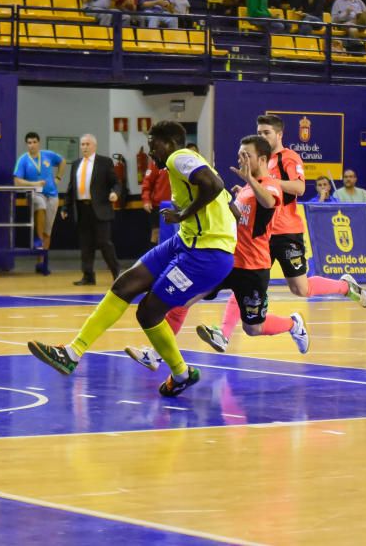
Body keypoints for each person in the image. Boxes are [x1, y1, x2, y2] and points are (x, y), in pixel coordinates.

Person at [27, 121, 236, 397]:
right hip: (186, 242)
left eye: (154, 146)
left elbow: (216, 185)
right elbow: (228, 202)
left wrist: (183, 215)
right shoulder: (190, 160)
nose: (151, 152)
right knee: (123, 285)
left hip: (205, 254)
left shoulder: (178, 157)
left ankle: (182, 373)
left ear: (170, 143)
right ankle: (72, 353)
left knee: (148, 311)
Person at [128, 134, 309, 366]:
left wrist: (250, 182)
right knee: (184, 301)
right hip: (227, 262)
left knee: (254, 328)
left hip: (253, 268)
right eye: (239, 155)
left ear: (262, 159)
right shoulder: (246, 188)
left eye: (246, 155)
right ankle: (156, 355)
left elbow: (269, 202)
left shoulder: (270, 184)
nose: (241, 159)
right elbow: (236, 214)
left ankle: (293, 324)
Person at [256, 114, 366, 304]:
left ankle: (345, 286)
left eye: (266, 133)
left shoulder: (289, 158)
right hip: (262, 231)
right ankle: (224, 332)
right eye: (259, 133)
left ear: (279, 134)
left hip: (286, 232)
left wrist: (271, 181)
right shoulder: (261, 161)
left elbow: (299, 188)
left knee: (300, 289)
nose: (261, 137)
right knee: (248, 278)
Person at [63, 134, 121, 285]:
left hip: (100, 208)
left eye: (87, 144)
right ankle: (88, 276)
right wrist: (65, 206)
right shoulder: (76, 164)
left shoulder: (104, 162)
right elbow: (71, 188)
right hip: (82, 209)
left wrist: (115, 193)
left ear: (94, 146)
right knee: (85, 244)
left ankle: (117, 273)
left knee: (104, 242)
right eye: (82, 144)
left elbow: (116, 182)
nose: (84, 147)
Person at [13, 132, 66, 275]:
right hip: (34, 193)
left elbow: (62, 161)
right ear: (27, 144)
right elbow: (17, 181)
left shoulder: (48, 155)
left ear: (39, 143)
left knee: (47, 231)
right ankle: (37, 238)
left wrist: (59, 177)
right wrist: (33, 183)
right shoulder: (23, 160)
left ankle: (42, 263)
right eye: (29, 142)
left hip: (52, 195)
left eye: (34, 142)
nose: (32, 145)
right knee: (40, 205)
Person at [141, 157, 171, 245]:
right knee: (156, 233)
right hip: (158, 205)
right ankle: (155, 258)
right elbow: (146, 184)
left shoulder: (179, 160)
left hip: (177, 204)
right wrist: (146, 200)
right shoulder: (156, 163)